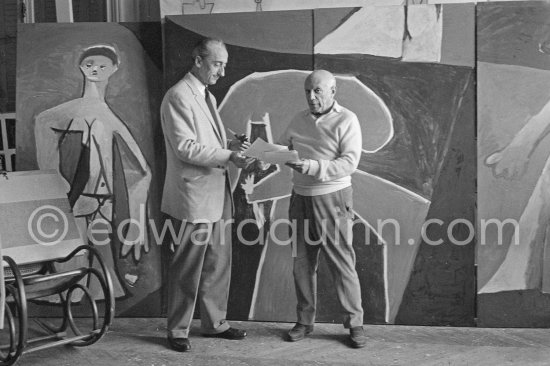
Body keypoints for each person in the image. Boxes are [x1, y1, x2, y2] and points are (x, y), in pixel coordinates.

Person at [34, 44, 152, 300]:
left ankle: (96, 294)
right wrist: (53, 177)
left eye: (102, 65)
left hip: (104, 201)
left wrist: (137, 217)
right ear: (80, 67)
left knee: (101, 262)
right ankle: (67, 294)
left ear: (114, 69)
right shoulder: (72, 110)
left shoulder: (108, 116)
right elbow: (42, 121)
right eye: (89, 64)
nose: (95, 69)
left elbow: (144, 171)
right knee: (72, 258)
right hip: (79, 198)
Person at [160, 38, 252, 352]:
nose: (222, 72)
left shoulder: (205, 95)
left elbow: (207, 133)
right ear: (198, 60)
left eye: (224, 65)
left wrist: (232, 139)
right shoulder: (178, 96)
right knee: (189, 265)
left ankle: (215, 323)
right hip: (195, 196)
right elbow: (185, 147)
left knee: (218, 261)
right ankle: (178, 330)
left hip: (217, 190)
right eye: (217, 64)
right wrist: (228, 155)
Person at [279, 69, 367, 348]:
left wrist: (312, 166)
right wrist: (261, 155)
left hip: (334, 197)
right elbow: (282, 149)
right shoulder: (298, 119)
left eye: (317, 91)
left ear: (332, 92)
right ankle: (304, 322)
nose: (311, 97)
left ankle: (355, 324)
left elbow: (349, 162)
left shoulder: (347, 120)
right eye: (307, 91)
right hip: (300, 198)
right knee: (301, 263)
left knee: (342, 262)